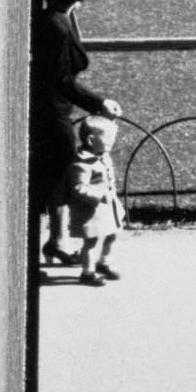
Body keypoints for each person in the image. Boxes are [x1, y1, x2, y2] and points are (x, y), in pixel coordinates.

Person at [32, 0, 123, 270]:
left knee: (57, 176)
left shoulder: (56, 21)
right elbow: (62, 79)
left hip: (54, 110)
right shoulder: (57, 27)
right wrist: (98, 103)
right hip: (52, 112)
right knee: (61, 177)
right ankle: (58, 241)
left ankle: (57, 241)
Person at [56, 115, 125, 285]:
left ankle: (104, 262)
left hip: (109, 208)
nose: (112, 141)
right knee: (91, 241)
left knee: (114, 234)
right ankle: (88, 272)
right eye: (108, 138)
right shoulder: (82, 164)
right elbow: (79, 188)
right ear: (91, 140)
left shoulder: (103, 155)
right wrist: (100, 195)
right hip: (91, 211)